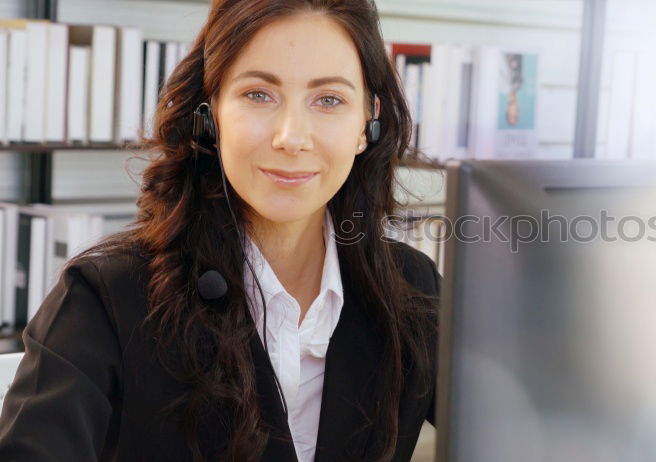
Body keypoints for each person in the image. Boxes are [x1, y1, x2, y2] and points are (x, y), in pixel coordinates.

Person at [0, 0, 440, 461]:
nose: (291, 137)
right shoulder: (105, 299)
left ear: (366, 122)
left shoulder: (412, 288)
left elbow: (510, 422)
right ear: (211, 115)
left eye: (328, 99)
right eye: (258, 94)